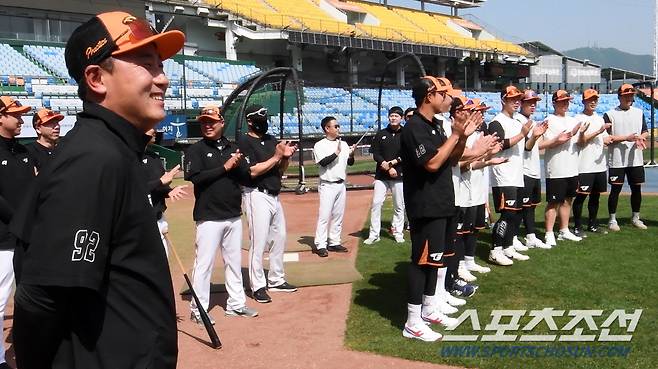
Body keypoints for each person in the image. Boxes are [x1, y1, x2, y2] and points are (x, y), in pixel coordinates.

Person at [9, 11, 185, 368]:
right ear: (96, 78)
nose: (162, 78)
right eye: (145, 64)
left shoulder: (112, 149)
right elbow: (42, 296)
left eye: (160, 65)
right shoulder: (94, 158)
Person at [400, 76, 478, 342]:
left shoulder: (435, 126)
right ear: (429, 96)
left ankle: (430, 309)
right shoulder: (414, 127)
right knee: (422, 263)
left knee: (436, 260)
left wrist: (462, 138)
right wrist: (456, 134)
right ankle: (412, 321)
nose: (449, 99)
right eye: (444, 95)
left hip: (443, 202)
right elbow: (432, 164)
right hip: (426, 206)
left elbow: (451, 160)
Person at [184, 105, 258, 320]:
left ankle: (236, 304)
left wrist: (279, 159)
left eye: (211, 121)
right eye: (204, 122)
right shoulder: (195, 150)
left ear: (221, 123)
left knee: (234, 263)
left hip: (233, 214)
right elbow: (195, 177)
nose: (207, 125)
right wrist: (225, 168)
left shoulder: (233, 148)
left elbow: (246, 176)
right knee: (204, 265)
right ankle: (198, 310)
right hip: (208, 216)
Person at [239, 104, 298, 304]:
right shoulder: (245, 141)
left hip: (274, 194)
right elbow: (252, 171)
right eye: (259, 118)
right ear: (250, 121)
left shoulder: (271, 140)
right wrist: (277, 156)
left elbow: (279, 169)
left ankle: (276, 279)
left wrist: (286, 157)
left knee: (279, 238)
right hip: (256, 194)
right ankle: (257, 286)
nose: (263, 122)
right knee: (259, 242)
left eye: (265, 118)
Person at [0, 96, 33, 369]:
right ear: (1, 117)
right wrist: (22, 220)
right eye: (15, 115)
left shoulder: (23, 151)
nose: (20, 120)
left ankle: (27, 348)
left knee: (28, 298)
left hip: (25, 239)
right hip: (2, 241)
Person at [486, 86, 533, 266]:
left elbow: (525, 147)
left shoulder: (516, 122)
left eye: (518, 99)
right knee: (506, 215)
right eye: (512, 99)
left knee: (515, 215)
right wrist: (522, 134)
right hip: (503, 175)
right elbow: (499, 145)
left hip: (516, 175)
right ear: (503, 100)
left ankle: (508, 246)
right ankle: (495, 249)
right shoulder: (497, 122)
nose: (516, 102)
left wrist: (533, 135)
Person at [540, 90, 583, 247]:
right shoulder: (548, 120)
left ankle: (564, 230)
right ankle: (549, 233)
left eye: (567, 101)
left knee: (567, 200)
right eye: (561, 101)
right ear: (554, 103)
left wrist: (582, 134)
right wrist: (558, 140)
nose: (565, 103)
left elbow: (578, 142)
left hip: (572, 167)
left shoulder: (573, 120)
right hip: (556, 167)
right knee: (554, 202)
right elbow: (541, 145)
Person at [604, 84, 649, 231]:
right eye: (626, 95)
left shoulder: (639, 112)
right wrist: (626, 138)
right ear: (620, 97)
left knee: (637, 189)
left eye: (631, 95)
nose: (629, 98)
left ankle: (636, 217)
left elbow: (645, 131)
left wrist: (641, 138)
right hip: (617, 159)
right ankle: (612, 219)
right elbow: (608, 138)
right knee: (615, 190)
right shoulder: (610, 114)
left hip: (635, 158)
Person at [312, 116, 355, 257]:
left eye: (338, 126)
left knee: (338, 215)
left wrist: (351, 154)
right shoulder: (320, 145)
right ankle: (320, 244)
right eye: (335, 126)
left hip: (341, 184)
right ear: (327, 128)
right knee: (324, 215)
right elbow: (323, 162)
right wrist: (336, 153)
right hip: (327, 184)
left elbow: (350, 163)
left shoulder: (343, 144)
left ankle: (334, 241)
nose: (338, 128)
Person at [573, 89, 612, 237]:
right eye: (590, 99)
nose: (593, 102)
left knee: (595, 196)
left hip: (600, 164)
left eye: (595, 99)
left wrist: (609, 140)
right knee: (581, 196)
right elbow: (580, 142)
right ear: (583, 101)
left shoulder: (599, 118)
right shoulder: (578, 119)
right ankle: (577, 226)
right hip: (584, 165)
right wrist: (598, 132)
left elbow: (605, 138)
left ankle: (592, 224)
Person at [142, 128, 187, 256]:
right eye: (150, 127)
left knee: (163, 266)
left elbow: (158, 187)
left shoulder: (154, 157)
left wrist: (168, 191)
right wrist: (160, 182)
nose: (155, 130)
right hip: (141, 224)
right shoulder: (127, 158)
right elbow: (134, 189)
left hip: (159, 218)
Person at [364, 106, 405, 245]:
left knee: (399, 205)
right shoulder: (381, 133)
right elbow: (376, 153)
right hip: (381, 175)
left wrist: (393, 164)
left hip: (399, 175)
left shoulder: (406, 134)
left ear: (401, 118)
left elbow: (408, 153)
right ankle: (374, 234)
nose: (393, 118)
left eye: (396, 116)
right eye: (391, 115)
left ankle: (398, 232)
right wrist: (385, 165)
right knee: (376, 203)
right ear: (388, 117)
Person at [519, 90, 550, 248]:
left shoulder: (530, 121)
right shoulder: (520, 121)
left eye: (534, 103)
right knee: (522, 206)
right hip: (524, 169)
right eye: (529, 102)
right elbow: (527, 147)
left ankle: (530, 235)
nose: (533, 106)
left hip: (534, 169)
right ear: (521, 103)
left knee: (531, 205)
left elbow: (536, 147)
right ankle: (514, 237)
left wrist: (556, 140)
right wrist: (535, 136)